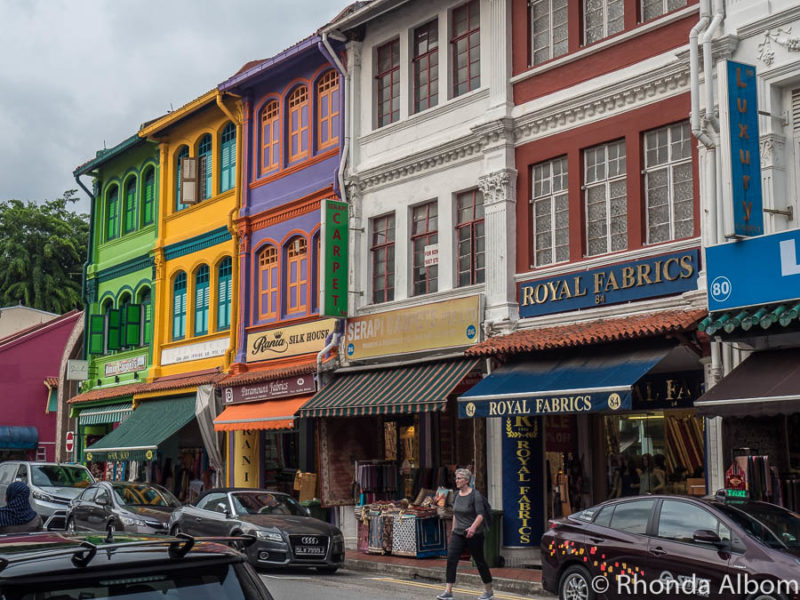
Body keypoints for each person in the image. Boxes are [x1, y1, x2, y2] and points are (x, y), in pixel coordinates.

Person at [437, 468, 493, 600]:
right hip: (458, 533)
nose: (456, 481)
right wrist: (453, 531)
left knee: (480, 562)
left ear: (467, 480)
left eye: (459, 478)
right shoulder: (456, 495)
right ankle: (448, 591)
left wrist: (472, 528)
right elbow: (455, 513)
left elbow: (480, 515)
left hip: (474, 534)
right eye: (456, 478)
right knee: (451, 559)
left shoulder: (475, 495)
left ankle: (489, 590)